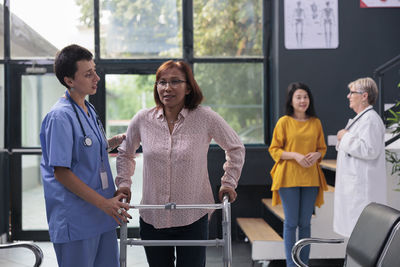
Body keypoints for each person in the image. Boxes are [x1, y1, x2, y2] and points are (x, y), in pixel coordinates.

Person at [115, 60, 245, 267]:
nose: (167, 88)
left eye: (175, 81)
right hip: (153, 216)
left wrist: (228, 182)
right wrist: (124, 184)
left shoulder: (205, 117)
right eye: (162, 82)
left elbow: (236, 147)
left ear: (188, 87)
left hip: (192, 215)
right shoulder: (143, 119)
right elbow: (125, 153)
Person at [40, 44, 130, 267]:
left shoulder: (88, 111)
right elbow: (61, 172)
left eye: (95, 71)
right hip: (77, 219)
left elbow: (84, 149)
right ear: (69, 80)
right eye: (88, 74)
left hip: (102, 215)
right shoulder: (59, 117)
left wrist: (111, 143)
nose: (96, 78)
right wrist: (104, 203)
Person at [268, 82, 328, 267]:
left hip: (310, 177)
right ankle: (291, 264)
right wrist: (294, 155)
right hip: (288, 177)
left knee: (305, 224)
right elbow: (274, 150)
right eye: (299, 97)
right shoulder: (284, 122)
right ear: (291, 101)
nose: (303, 101)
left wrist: (317, 154)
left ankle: (303, 263)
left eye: (305, 97)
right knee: (291, 223)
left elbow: (322, 148)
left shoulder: (315, 122)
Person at [334, 77, 387, 237]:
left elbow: (369, 150)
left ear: (364, 96)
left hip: (362, 191)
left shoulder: (370, 120)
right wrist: (344, 137)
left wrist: (345, 136)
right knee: (356, 235)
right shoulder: (362, 119)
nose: (348, 96)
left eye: (352, 92)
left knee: (363, 236)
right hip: (355, 187)